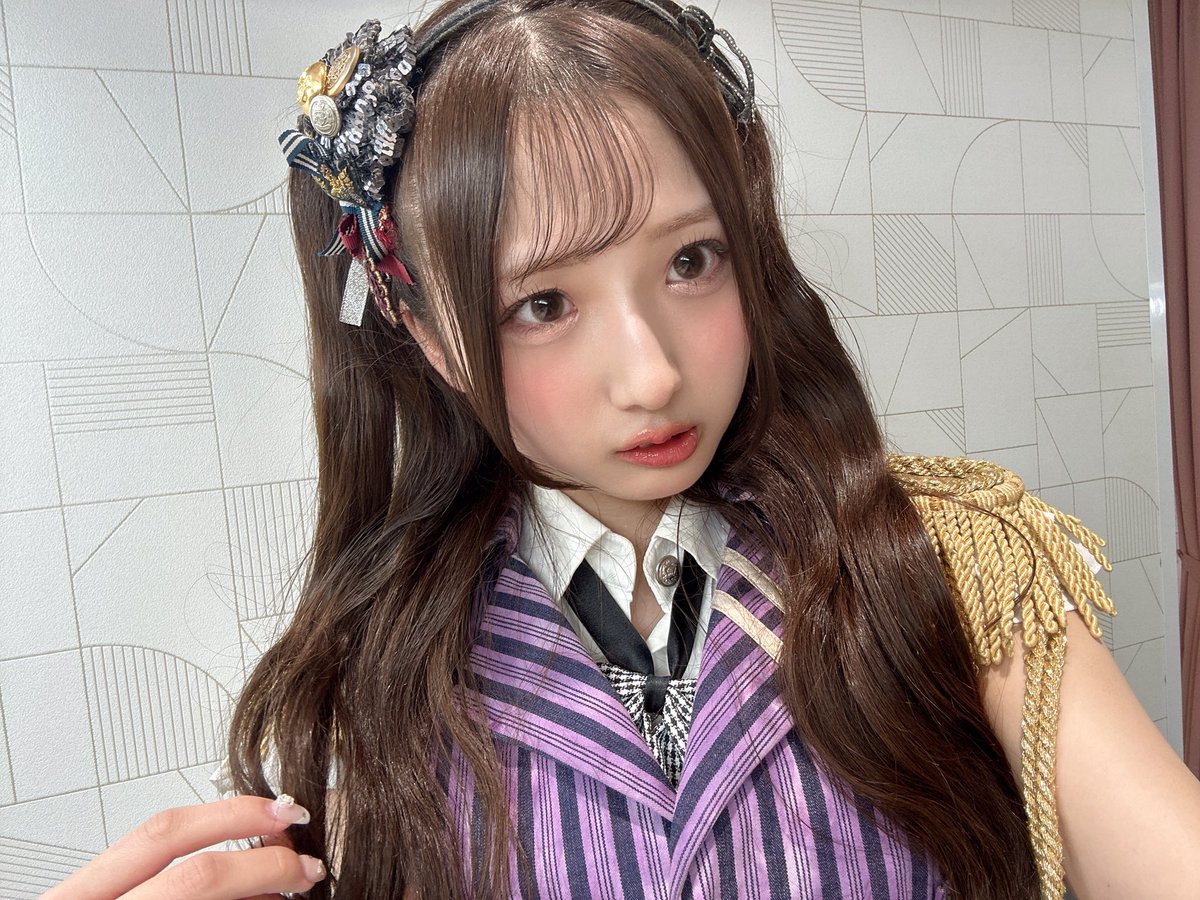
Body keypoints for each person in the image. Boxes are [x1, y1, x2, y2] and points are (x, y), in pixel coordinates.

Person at [45, 1, 1200, 898]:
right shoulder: (376, 688)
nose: (651, 373)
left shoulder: (945, 566)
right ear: (427, 334)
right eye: (542, 304)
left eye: (692, 261)